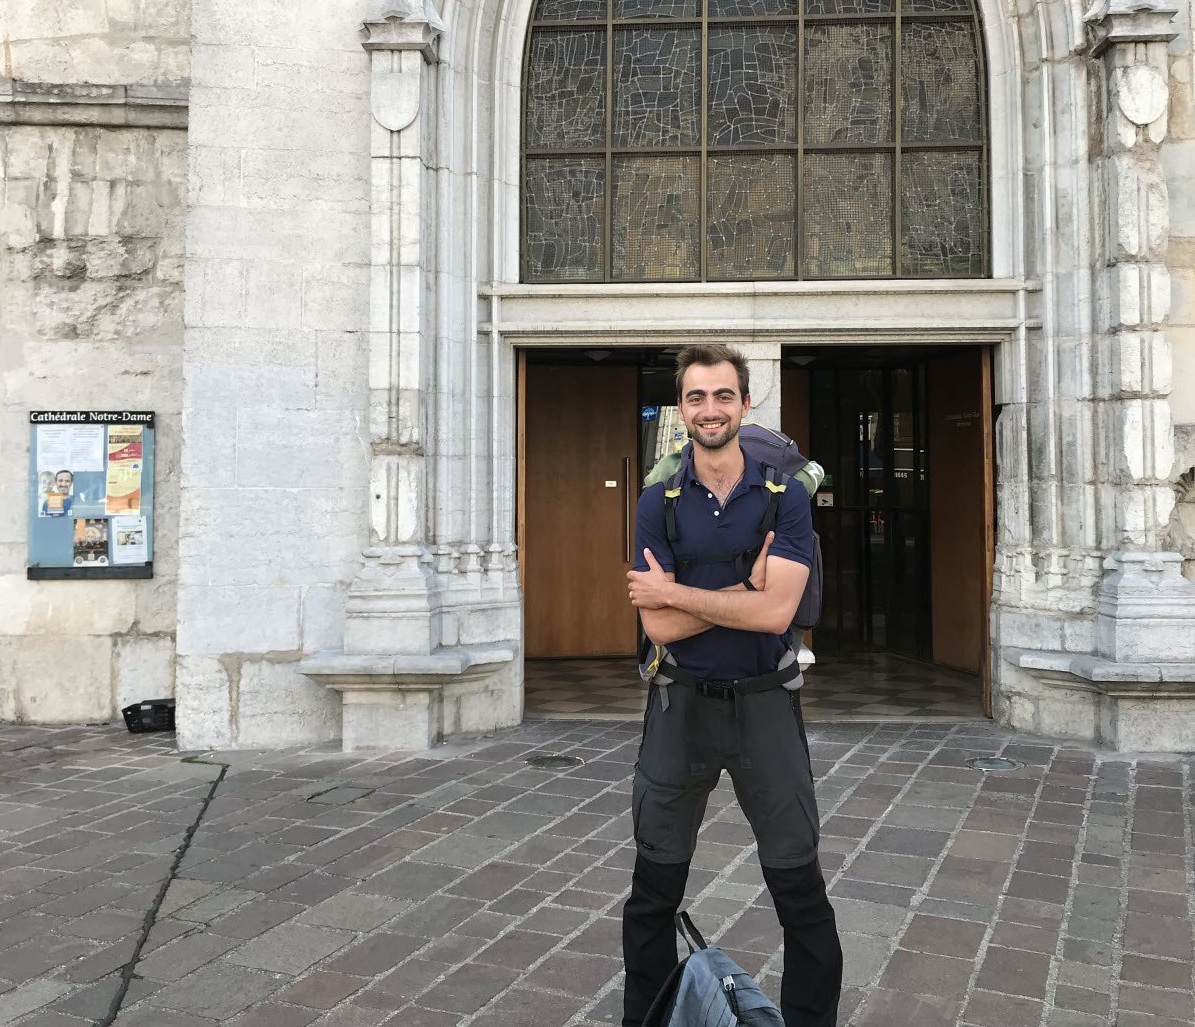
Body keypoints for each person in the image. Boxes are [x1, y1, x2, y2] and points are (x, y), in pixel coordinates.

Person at [622, 344, 842, 1027]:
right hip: (678, 705)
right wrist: (742, 585)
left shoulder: (784, 499)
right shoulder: (657, 499)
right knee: (652, 891)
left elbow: (775, 613)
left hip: (763, 706)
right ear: (680, 409)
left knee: (798, 888)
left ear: (744, 404)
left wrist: (686, 592)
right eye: (695, 397)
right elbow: (655, 625)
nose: (709, 409)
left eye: (722, 395)